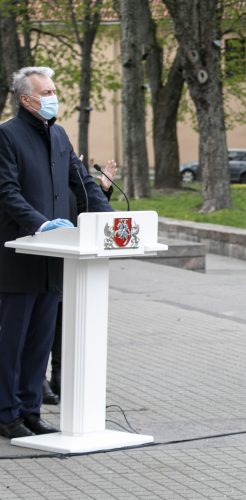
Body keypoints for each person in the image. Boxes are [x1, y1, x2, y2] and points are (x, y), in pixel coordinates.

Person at [0, 66, 113, 439]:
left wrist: (113, 220)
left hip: (55, 259)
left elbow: (82, 184)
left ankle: (31, 411)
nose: (52, 98)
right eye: (45, 92)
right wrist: (40, 224)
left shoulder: (59, 135)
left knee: (40, 342)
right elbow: (7, 192)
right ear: (25, 99)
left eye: (53, 91)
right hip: (17, 258)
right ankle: (6, 414)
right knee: (11, 343)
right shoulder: (6, 136)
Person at [42, 158, 117, 405]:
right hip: (40, 262)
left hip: (71, 263)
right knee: (43, 325)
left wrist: (104, 189)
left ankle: (60, 376)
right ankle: (37, 378)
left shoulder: (73, 185)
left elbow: (88, 212)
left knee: (63, 325)